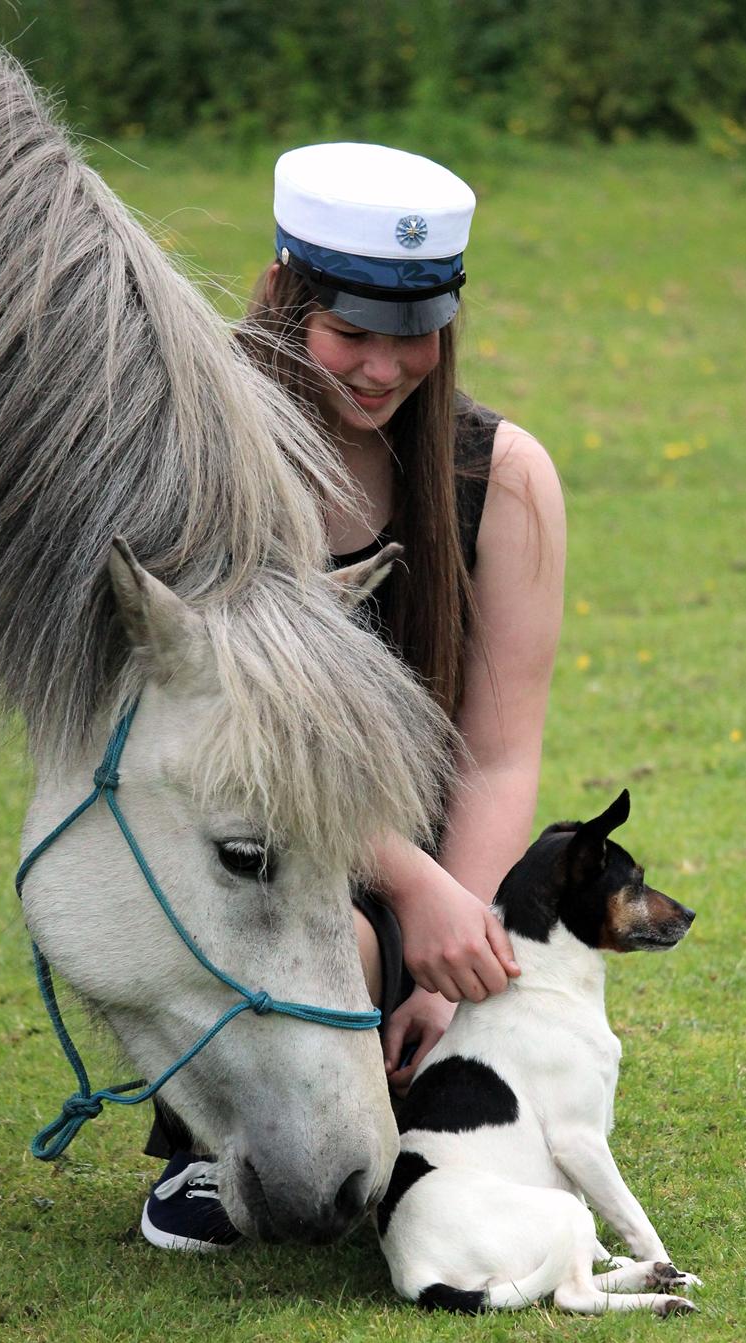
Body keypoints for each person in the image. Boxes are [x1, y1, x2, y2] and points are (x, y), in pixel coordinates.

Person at [140, 143, 565, 1253]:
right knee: (328, 943)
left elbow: (499, 751)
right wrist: (414, 899)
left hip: (429, 875)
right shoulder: (194, 465)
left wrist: (462, 947)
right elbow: (239, 746)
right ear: (283, 294)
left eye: (412, 333)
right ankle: (203, 1152)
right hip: (259, 854)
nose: (383, 367)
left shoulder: (503, 477)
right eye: (350, 333)